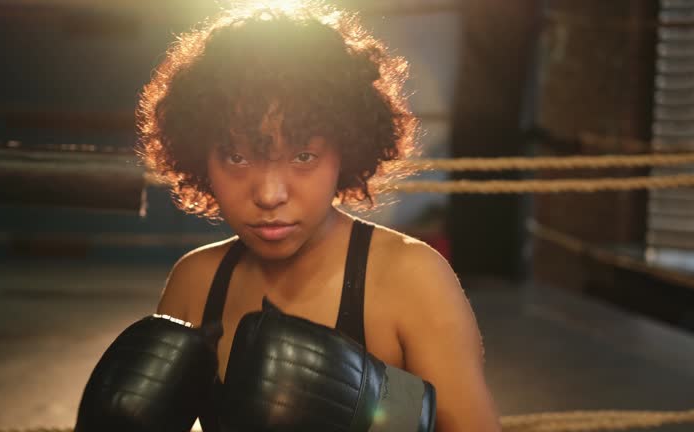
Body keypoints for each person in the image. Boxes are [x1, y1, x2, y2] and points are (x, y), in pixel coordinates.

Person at [136, 2, 502, 431]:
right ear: (201, 157)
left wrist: (385, 411)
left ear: (344, 150)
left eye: (303, 155)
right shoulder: (195, 282)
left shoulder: (410, 278)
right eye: (236, 157)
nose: (270, 194)